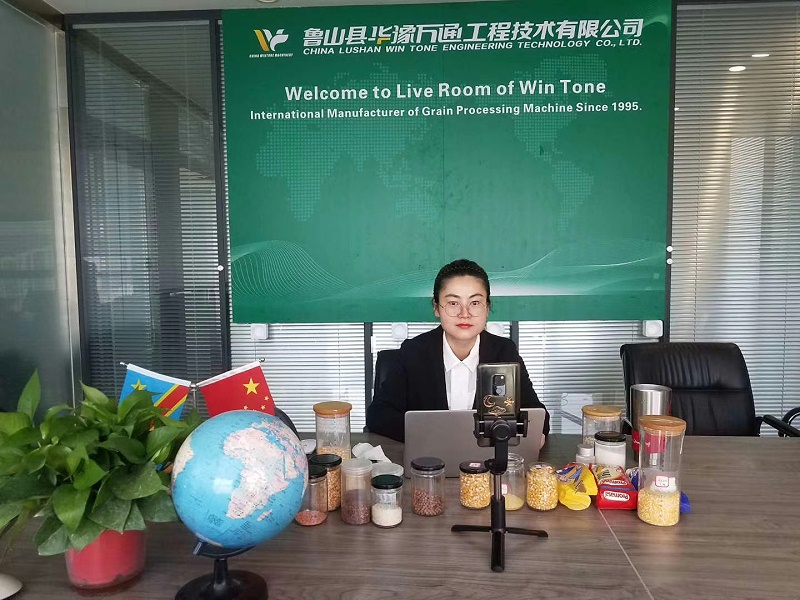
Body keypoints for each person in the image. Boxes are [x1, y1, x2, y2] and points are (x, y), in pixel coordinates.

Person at [366, 259, 550, 442]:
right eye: (453, 303)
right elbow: (378, 415)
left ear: (487, 307)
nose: (465, 314)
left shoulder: (504, 352)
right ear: (436, 308)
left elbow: (539, 417)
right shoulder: (413, 352)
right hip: (430, 457)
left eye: (475, 303)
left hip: (487, 459)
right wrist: (439, 436)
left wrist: (533, 434)